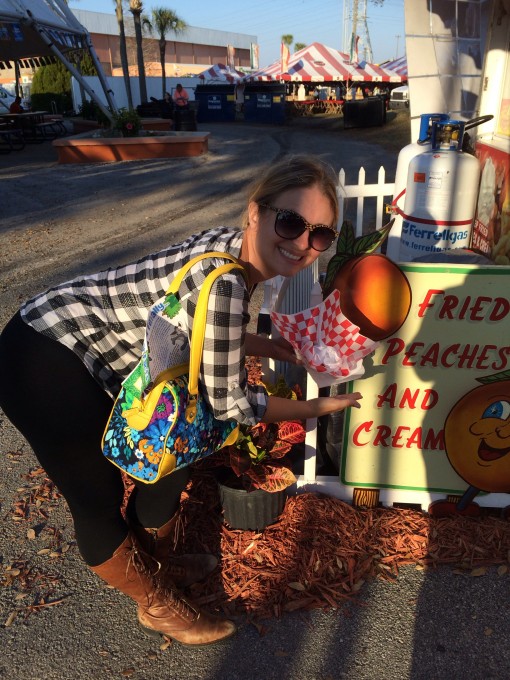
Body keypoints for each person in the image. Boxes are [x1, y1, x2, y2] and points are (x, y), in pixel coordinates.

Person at [0, 155, 363, 647]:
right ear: (256, 212)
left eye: (320, 234)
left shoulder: (231, 247)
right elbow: (231, 406)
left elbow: (197, 318)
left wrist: (257, 344)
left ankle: (158, 564)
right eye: (291, 222)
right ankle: (156, 605)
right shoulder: (231, 281)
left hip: (83, 341)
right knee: (98, 496)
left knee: (174, 458)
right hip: (45, 354)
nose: (302, 244)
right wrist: (317, 408)